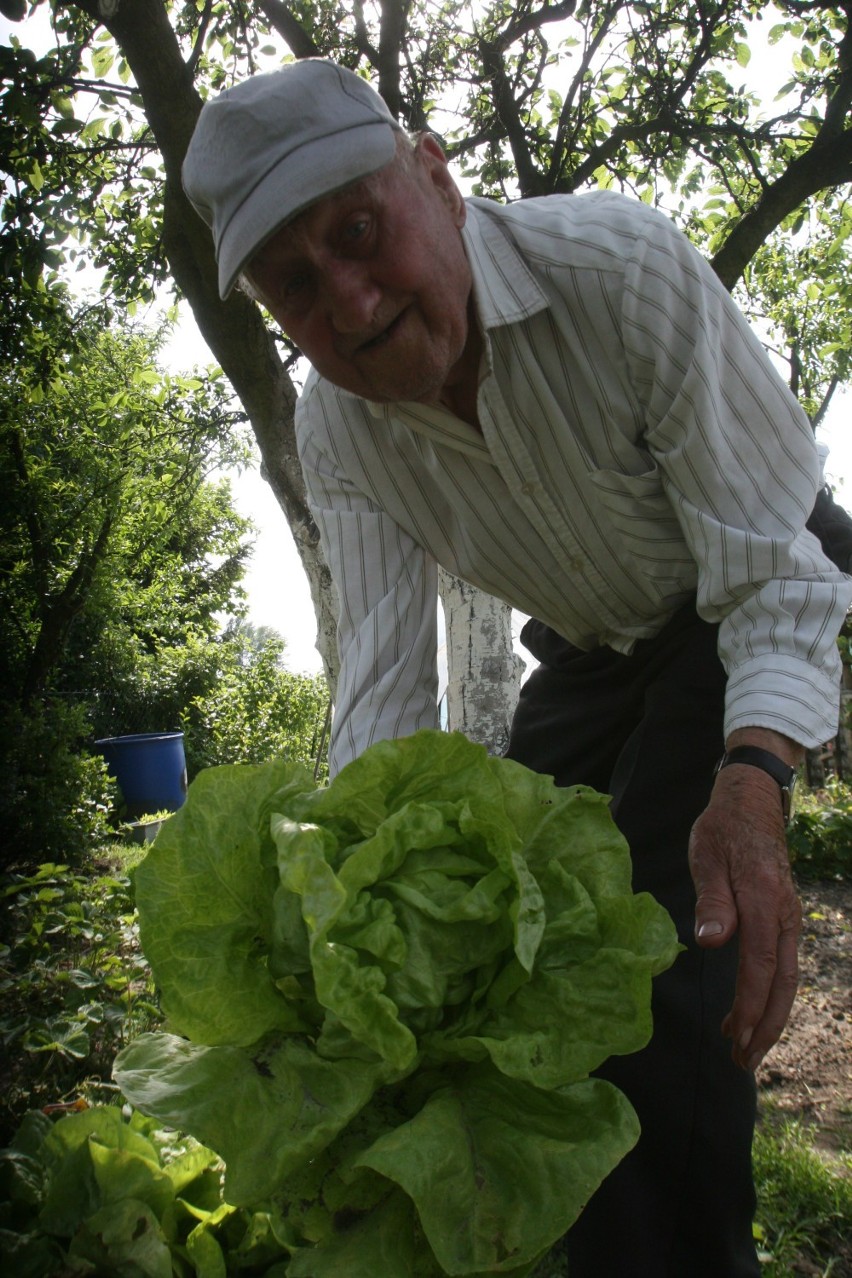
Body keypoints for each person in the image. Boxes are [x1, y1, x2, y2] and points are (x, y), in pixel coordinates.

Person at [182, 59, 852, 1277]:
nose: (351, 298)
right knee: (512, 946)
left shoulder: (620, 269)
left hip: (743, 577)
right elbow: (385, 701)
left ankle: (676, 1247)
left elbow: (772, 569)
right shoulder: (337, 428)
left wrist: (752, 782)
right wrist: (348, 925)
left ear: (434, 174)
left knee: (657, 965)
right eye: (296, 280)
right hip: (591, 650)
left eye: (360, 229)